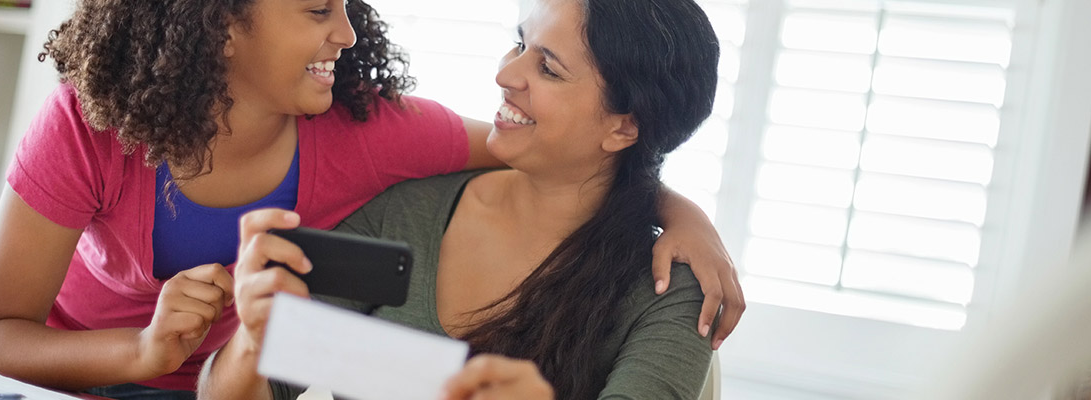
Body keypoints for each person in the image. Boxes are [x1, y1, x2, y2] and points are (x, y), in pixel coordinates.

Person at [0, 0, 740, 398]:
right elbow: (254, 384)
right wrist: (235, 345)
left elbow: (567, 158)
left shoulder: (375, 135)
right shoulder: (402, 217)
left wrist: (677, 209)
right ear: (217, 24)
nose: (346, 35)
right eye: (314, 10)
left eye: (549, 66)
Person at [203, 0, 722, 398]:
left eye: (549, 69)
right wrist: (253, 337)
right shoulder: (408, 211)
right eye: (520, 45)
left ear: (624, 126)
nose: (505, 75)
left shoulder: (670, 293)